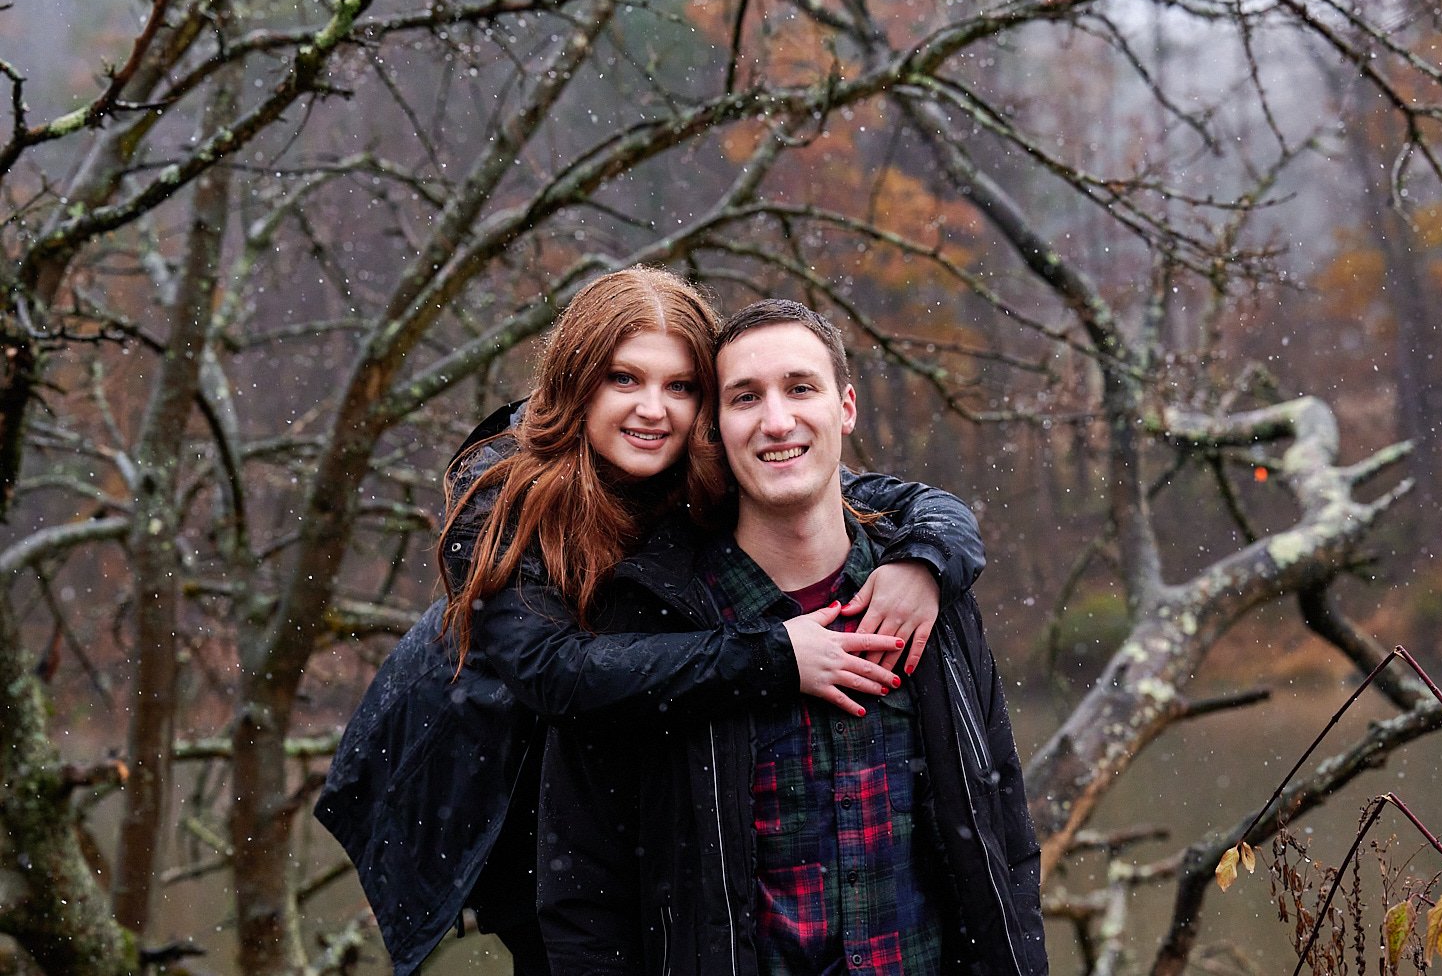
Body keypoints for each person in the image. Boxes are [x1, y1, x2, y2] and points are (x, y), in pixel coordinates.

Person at [314, 269, 988, 975]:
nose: (653, 409)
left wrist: (927, 558)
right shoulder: (503, 500)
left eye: (680, 386)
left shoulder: (710, 464)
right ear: (578, 383)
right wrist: (775, 657)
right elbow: (557, 675)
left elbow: (880, 495)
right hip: (500, 777)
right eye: (624, 379)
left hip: (635, 770)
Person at [538, 300, 1048, 975]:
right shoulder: (650, 622)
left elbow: (1005, 838)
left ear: (846, 407)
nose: (777, 421)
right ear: (715, 427)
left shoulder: (934, 602)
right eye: (746, 398)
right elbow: (582, 894)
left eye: (800, 388)